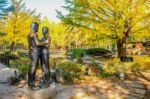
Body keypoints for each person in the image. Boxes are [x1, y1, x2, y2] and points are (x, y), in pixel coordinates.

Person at [27, 22, 48, 89]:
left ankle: (30, 83)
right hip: (35, 53)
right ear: (35, 27)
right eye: (37, 27)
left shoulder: (28, 35)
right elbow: (38, 43)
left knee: (31, 68)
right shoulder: (35, 34)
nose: (38, 29)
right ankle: (32, 84)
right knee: (33, 68)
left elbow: (31, 44)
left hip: (31, 52)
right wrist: (45, 42)